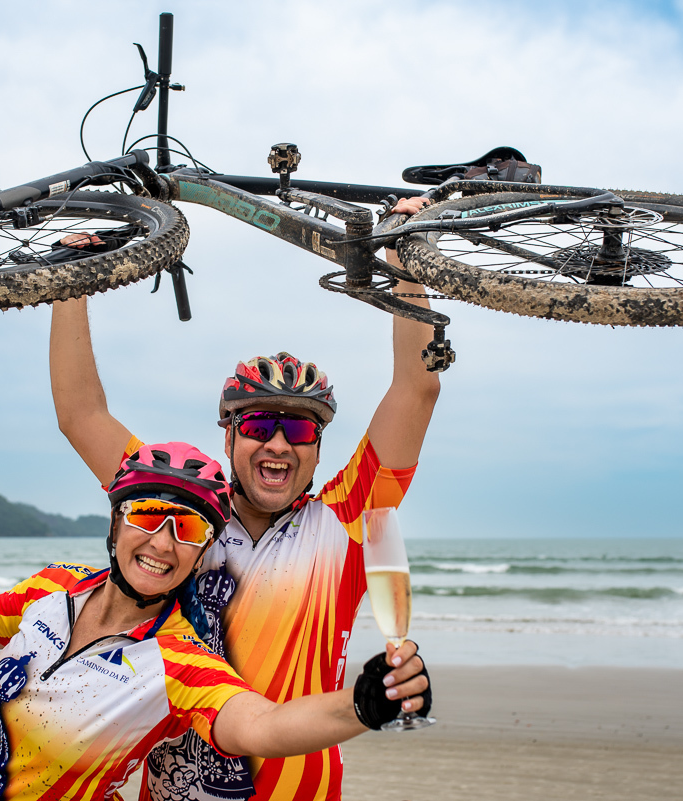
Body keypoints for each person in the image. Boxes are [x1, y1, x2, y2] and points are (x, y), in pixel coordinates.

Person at [49, 199, 440, 801]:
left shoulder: (347, 520)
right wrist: (69, 282)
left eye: (301, 430)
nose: (278, 444)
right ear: (229, 435)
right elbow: (81, 415)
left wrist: (406, 263)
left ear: (317, 448)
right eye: (259, 425)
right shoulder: (178, 507)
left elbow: (417, 388)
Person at [0, 442, 430, 801]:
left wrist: (363, 704)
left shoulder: (176, 660)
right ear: (116, 521)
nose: (163, 542)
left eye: (189, 528)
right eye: (149, 515)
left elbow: (262, 727)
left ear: (203, 552)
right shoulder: (55, 587)